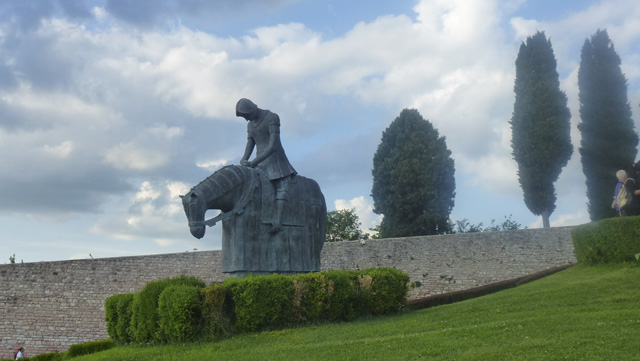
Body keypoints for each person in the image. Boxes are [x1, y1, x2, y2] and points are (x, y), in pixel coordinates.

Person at [236, 98, 297, 234]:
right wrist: (244, 158)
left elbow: (273, 145)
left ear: (252, 110)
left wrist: (254, 161)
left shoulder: (272, 117)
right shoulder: (251, 125)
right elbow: (250, 142)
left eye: (246, 116)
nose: (246, 120)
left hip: (276, 161)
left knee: (281, 188)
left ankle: (278, 221)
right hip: (259, 163)